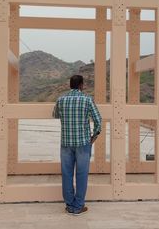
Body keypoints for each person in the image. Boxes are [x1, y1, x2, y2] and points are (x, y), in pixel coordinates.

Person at [53, 75, 102, 216]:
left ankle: (69, 205)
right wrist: (94, 136)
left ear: (70, 85)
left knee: (67, 174)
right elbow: (98, 121)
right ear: (81, 85)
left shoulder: (60, 100)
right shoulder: (87, 100)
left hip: (66, 143)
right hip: (83, 143)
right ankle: (78, 206)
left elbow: (56, 115)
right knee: (81, 175)